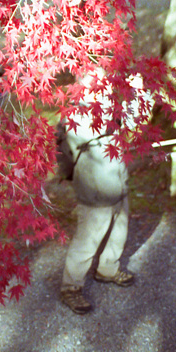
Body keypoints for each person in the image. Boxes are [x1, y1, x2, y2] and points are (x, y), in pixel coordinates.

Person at [59, 102, 134, 315]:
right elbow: (89, 132)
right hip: (95, 187)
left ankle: (107, 269)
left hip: (118, 181)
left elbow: (134, 121)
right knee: (88, 239)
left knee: (118, 232)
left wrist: (136, 95)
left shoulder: (113, 99)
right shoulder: (75, 110)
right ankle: (71, 286)